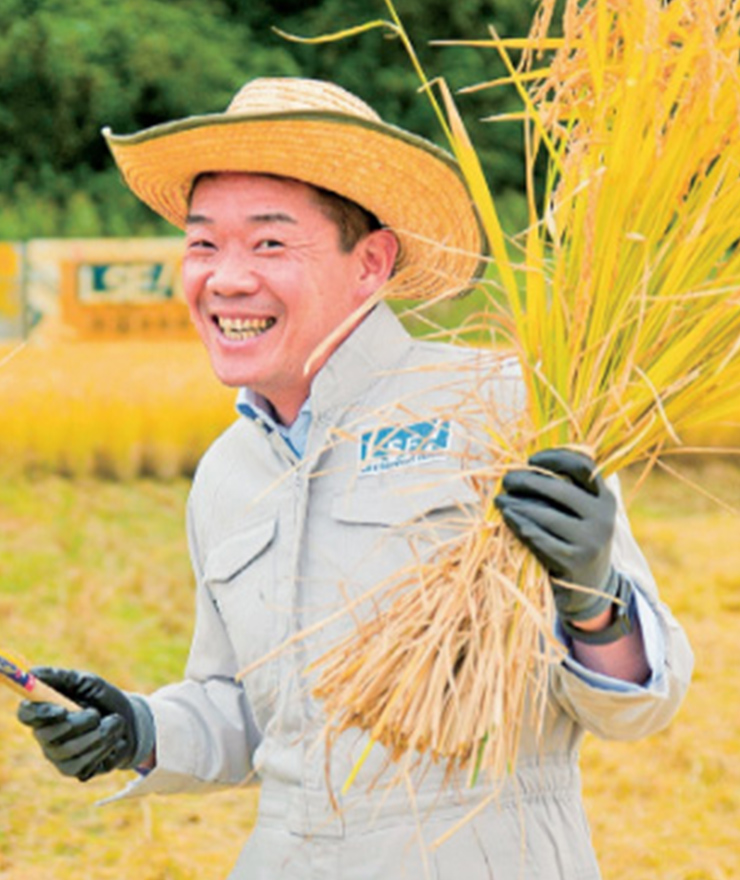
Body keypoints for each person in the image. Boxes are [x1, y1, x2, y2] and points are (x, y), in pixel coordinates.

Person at [17, 77, 693, 880]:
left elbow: (643, 703)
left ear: (371, 262)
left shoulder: (507, 408)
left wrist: (596, 596)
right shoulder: (228, 473)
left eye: (270, 244)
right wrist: (139, 729)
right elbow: (256, 715)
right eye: (203, 243)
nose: (225, 278)